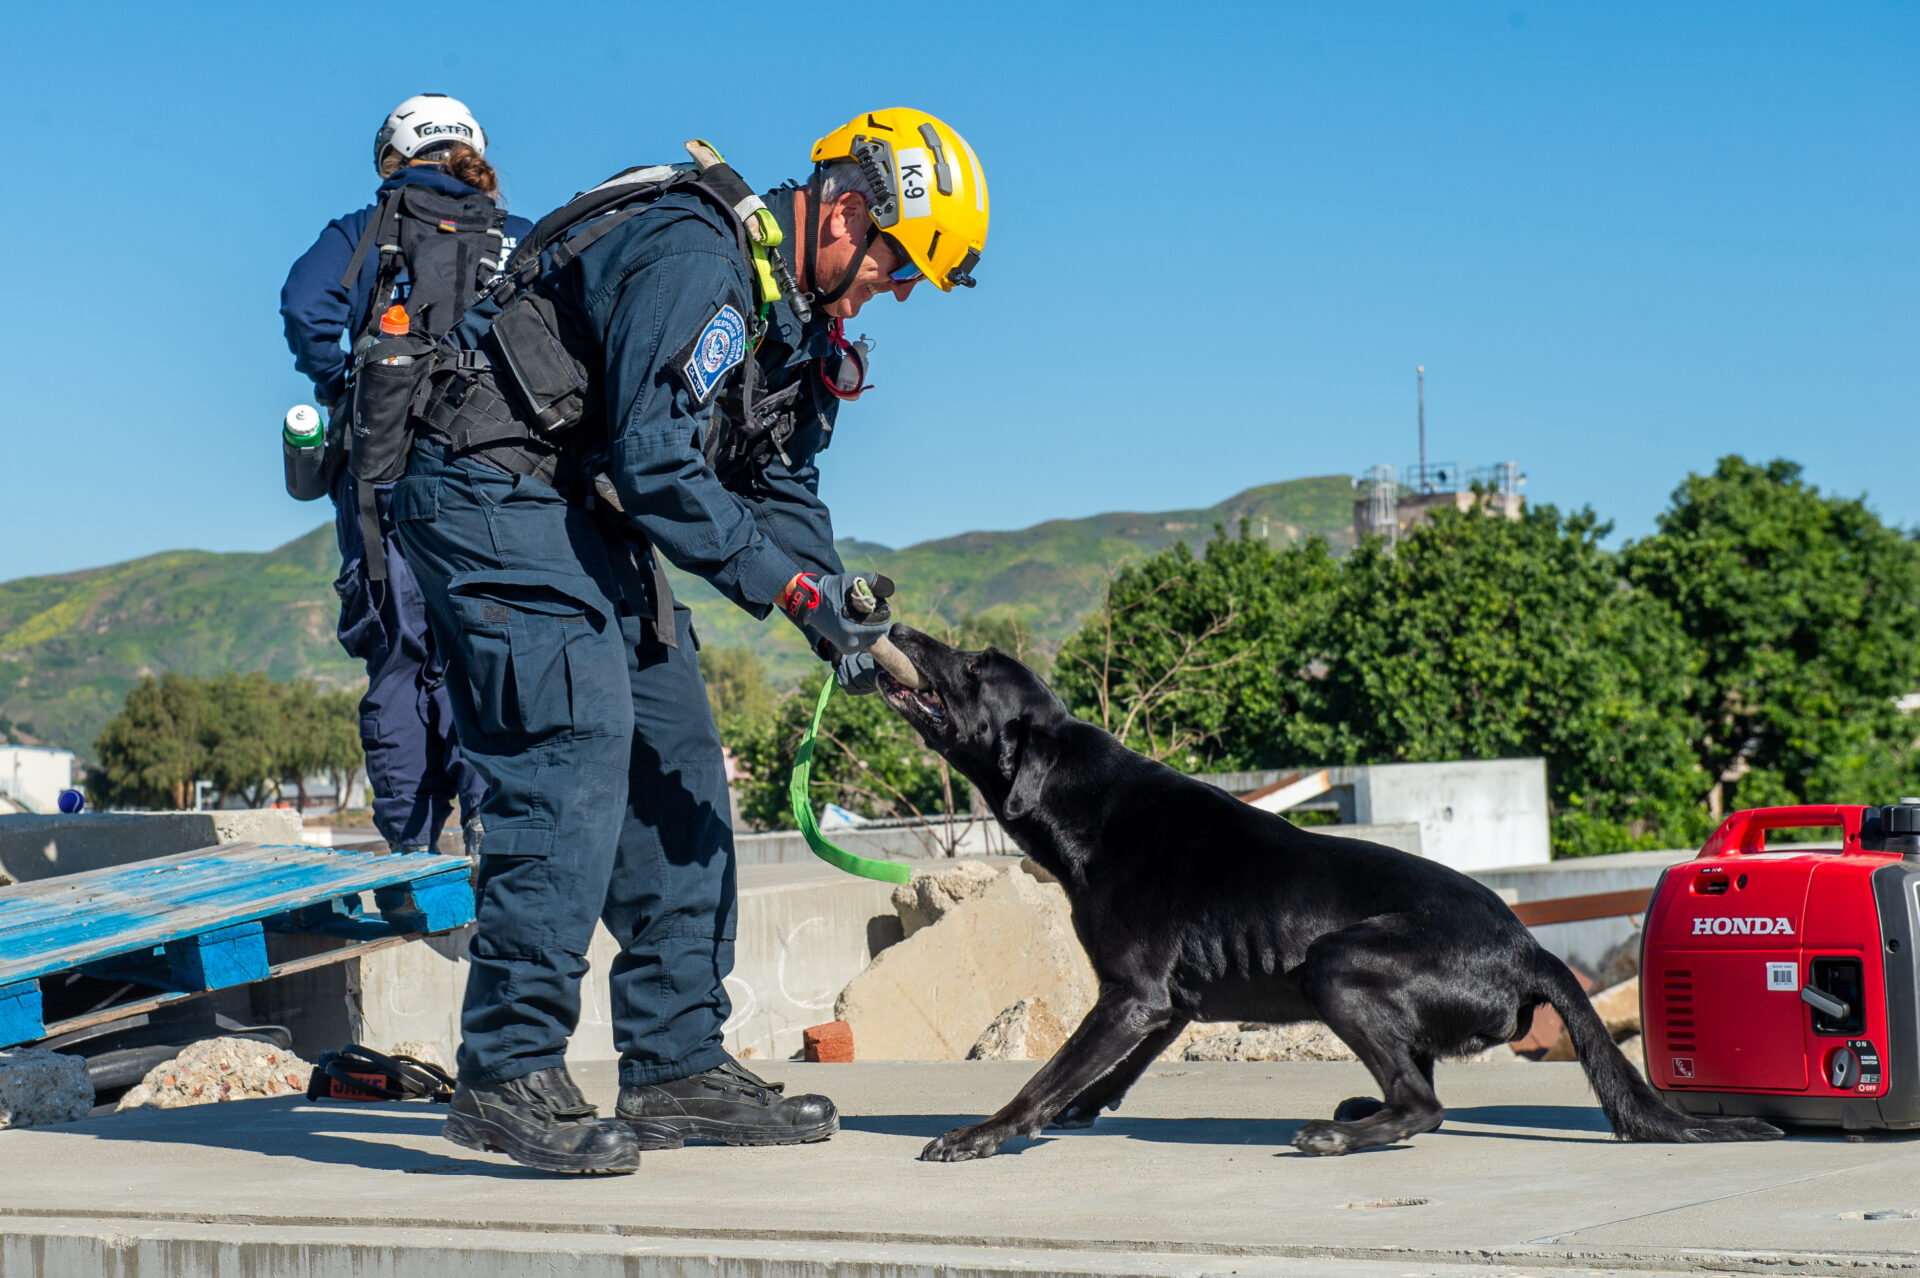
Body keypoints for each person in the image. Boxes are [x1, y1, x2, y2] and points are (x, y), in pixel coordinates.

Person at [391, 109, 990, 1173]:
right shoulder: (694, 253)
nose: (898, 293)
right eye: (901, 267)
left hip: (585, 514)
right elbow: (663, 466)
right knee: (574, 745)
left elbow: (777, 479)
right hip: (490, 487)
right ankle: (507, 1068)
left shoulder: (794, 324)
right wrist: (793, 591)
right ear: (851, 215)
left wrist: (839, 608)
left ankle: (675, 1065)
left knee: (677, 764)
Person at [279, 95, 533, 855]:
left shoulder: (362, 231)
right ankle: (495, 832)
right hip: (499, 482)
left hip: (382, 477)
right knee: (490, 647)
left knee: (398, 655)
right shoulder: (518, 241)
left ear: (394, 158)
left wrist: (349, 384)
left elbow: (304, 308)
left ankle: (409, 855)